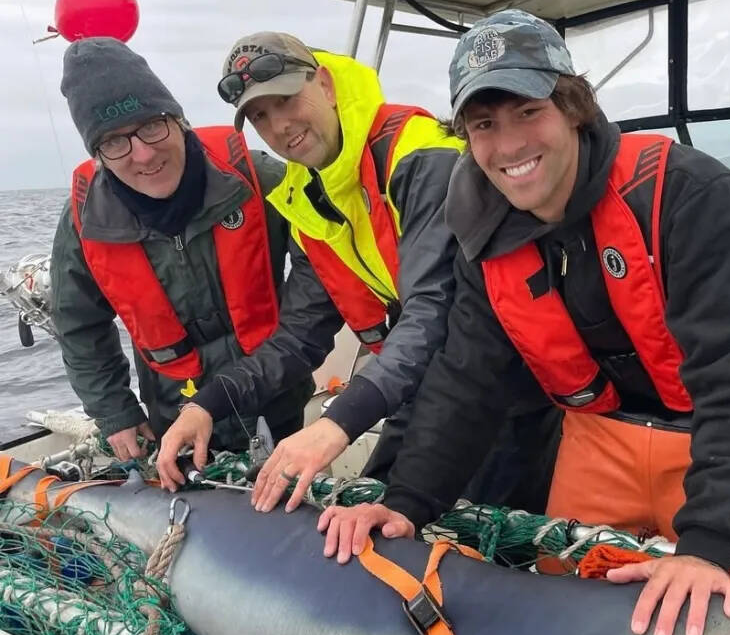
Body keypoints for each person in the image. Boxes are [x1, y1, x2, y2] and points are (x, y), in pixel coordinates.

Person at [314, 10, 730, 635]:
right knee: (561, 614)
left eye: (527, 111)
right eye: (483, 124)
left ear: (572, 106)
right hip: (595, 439)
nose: (508, 143)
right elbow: (465, 380)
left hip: (719, 434)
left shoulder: (688, 193)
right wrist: (407, 501)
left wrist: (707, 546)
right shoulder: (480, 234)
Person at [155, 32, 561, 514]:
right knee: (359, 525)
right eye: (261, 116)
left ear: (324, 84)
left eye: (286, 99)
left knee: (471, 543)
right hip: (422, 383)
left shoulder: (419, 158)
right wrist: (207, 403)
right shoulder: (308, 199)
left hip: (509, 386)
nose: (280, 125)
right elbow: (297, 339)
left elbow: (433, 307)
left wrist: (337, 424)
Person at [52, 37, 309, 462]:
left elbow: (322, 268)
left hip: (276, 397)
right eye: (115, 142)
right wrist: (115, 411)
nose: (144, 153)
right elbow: (78, 325)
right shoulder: (85, 221)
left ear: (179, 120)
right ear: (98, 156)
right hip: (173, 416)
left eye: (152, 125)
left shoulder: (257, 177)